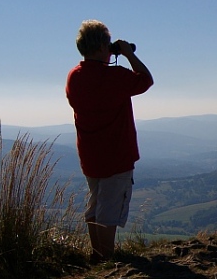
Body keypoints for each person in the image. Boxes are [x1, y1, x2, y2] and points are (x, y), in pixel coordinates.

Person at [66, 20, 154, 263]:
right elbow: (146, 80)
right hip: (116, 153)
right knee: (110, 208)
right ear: (103, 47)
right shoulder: (114, 76)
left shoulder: (74, 77)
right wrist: (127, 54)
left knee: (95, 204)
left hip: (90, 153)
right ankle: (107, 257)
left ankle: (97, 254)